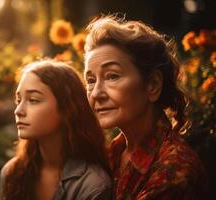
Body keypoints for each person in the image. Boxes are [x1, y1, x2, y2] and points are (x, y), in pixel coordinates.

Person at [84, 15, 209, 199]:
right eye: (91, 80)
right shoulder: (113, 154)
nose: (95, 93)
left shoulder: (175, 170)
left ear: (153, 85)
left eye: (112, 76)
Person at [0, 60, 112, 200]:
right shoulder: (12, 172)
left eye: (33, 100)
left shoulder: (92, 184)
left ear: (67, 109)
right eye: (18, 100)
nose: (18, 110)